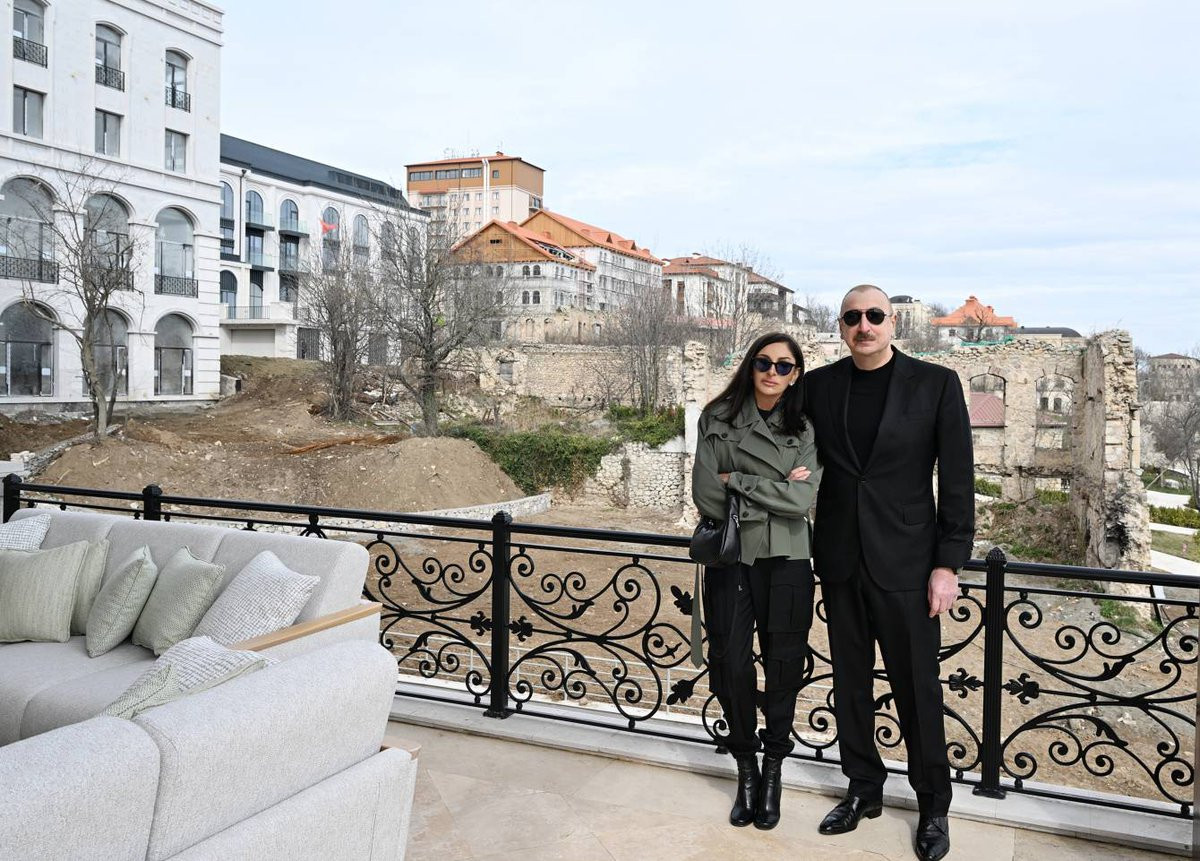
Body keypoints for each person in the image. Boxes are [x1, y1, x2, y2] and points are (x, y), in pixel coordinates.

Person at [803, 285, 974, 861]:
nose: (864, 325)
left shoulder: (936, 384)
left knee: (917, 688)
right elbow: (775, 427)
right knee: (850, 684)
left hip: (908, 563)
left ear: (893, 322)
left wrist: (948, 563)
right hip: (840, 559)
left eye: (874, 315)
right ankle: (863, 789)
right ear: (841, 327)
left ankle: (933, 805)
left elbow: (957, 478)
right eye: (852, 317)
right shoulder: (820, 386)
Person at [691, 332, 822, 830]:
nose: (772, 373)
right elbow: (706, 493)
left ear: (795, 375)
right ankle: (745, 764)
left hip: (787, 558)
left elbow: (802, 500)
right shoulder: (717, 417)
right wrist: (776, 488)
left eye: (784, 366)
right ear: (750, 366)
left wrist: (741, 481)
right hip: (733, 557)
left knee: (784, 663)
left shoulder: (804, 426)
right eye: (764, 363)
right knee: (730, 661)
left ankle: (773, 769)